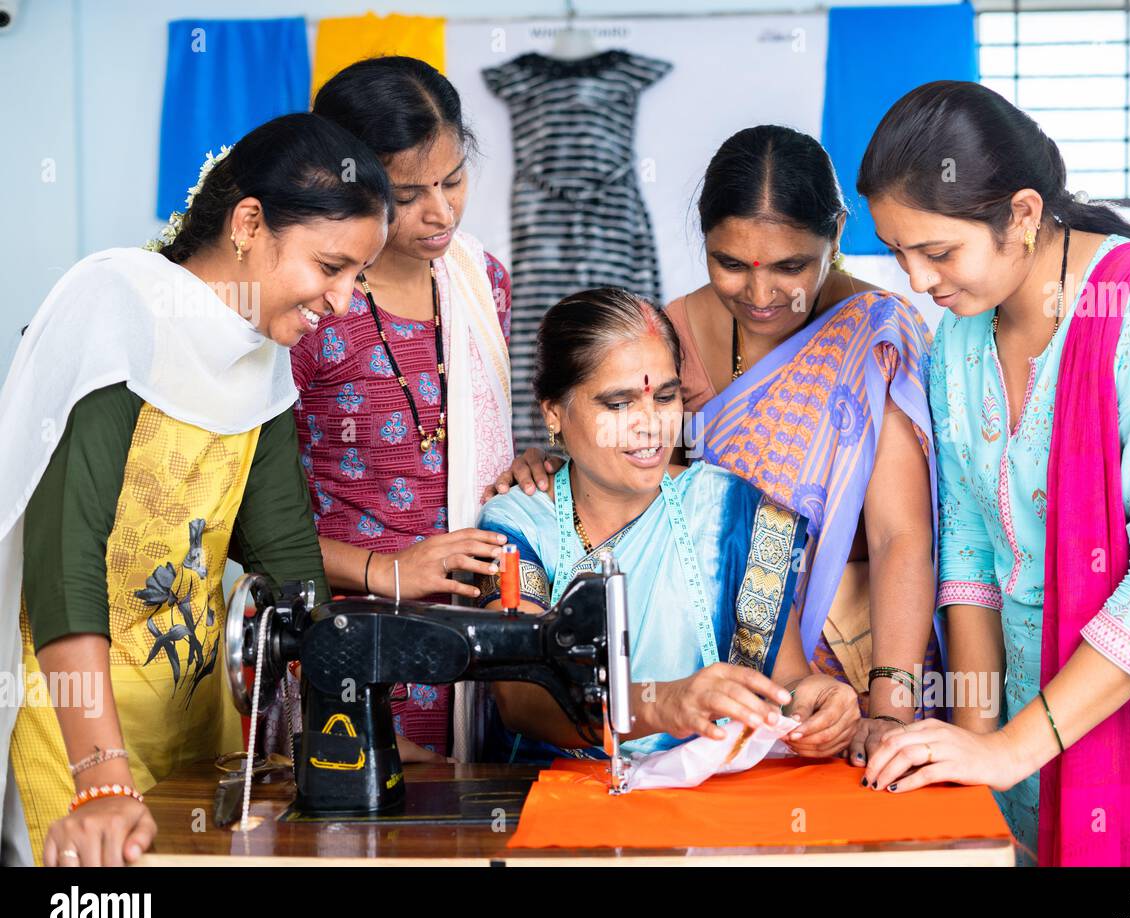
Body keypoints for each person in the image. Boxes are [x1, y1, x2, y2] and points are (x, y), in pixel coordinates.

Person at [859, 80, 1130, 866]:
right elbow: (969, 561)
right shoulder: (961, 341)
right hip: (1022, 745)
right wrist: (976, 750)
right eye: (898, 253)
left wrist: (1009, 750)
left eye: (936, 251)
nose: (916, 282)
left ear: (1022, 215)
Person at [0, 113, 393, 866]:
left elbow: (287, 559)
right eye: (330, 266)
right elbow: (63, 556)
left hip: (195, 729)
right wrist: (99, 777)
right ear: (250, 223)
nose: (343, 303)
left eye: (357, 278)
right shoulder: (115, 308)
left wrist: (344, 728)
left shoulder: (262, 354)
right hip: (75, 732)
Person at [493, 127, 942, 768]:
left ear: (837, 235)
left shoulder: (875, 338)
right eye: (731, 264)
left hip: (862, 657)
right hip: (703, 676)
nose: (761, 296)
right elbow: (643, 495)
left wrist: (887, 709)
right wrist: (554, 463)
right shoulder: (670, 332)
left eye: (791, 266)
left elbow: (902, 538)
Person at [476, 288, 859, 759]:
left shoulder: (729, 509)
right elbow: (520, 699)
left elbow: (788, 683)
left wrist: (815, 705)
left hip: (705, 804)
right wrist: (664, 703)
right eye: (618, 404)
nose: (651, 424)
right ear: (553, 412)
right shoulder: (515, 525)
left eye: (666, 396)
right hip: (548, 803)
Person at [299, 57, 515, 760]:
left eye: (453, 180)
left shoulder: (482, 283)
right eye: (410, 192)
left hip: (474, 645)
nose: (442, 212)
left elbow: (477, 444)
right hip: (349, 646)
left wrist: (530, 466)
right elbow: (250, 520)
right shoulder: (309, 308)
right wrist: (389, 571)